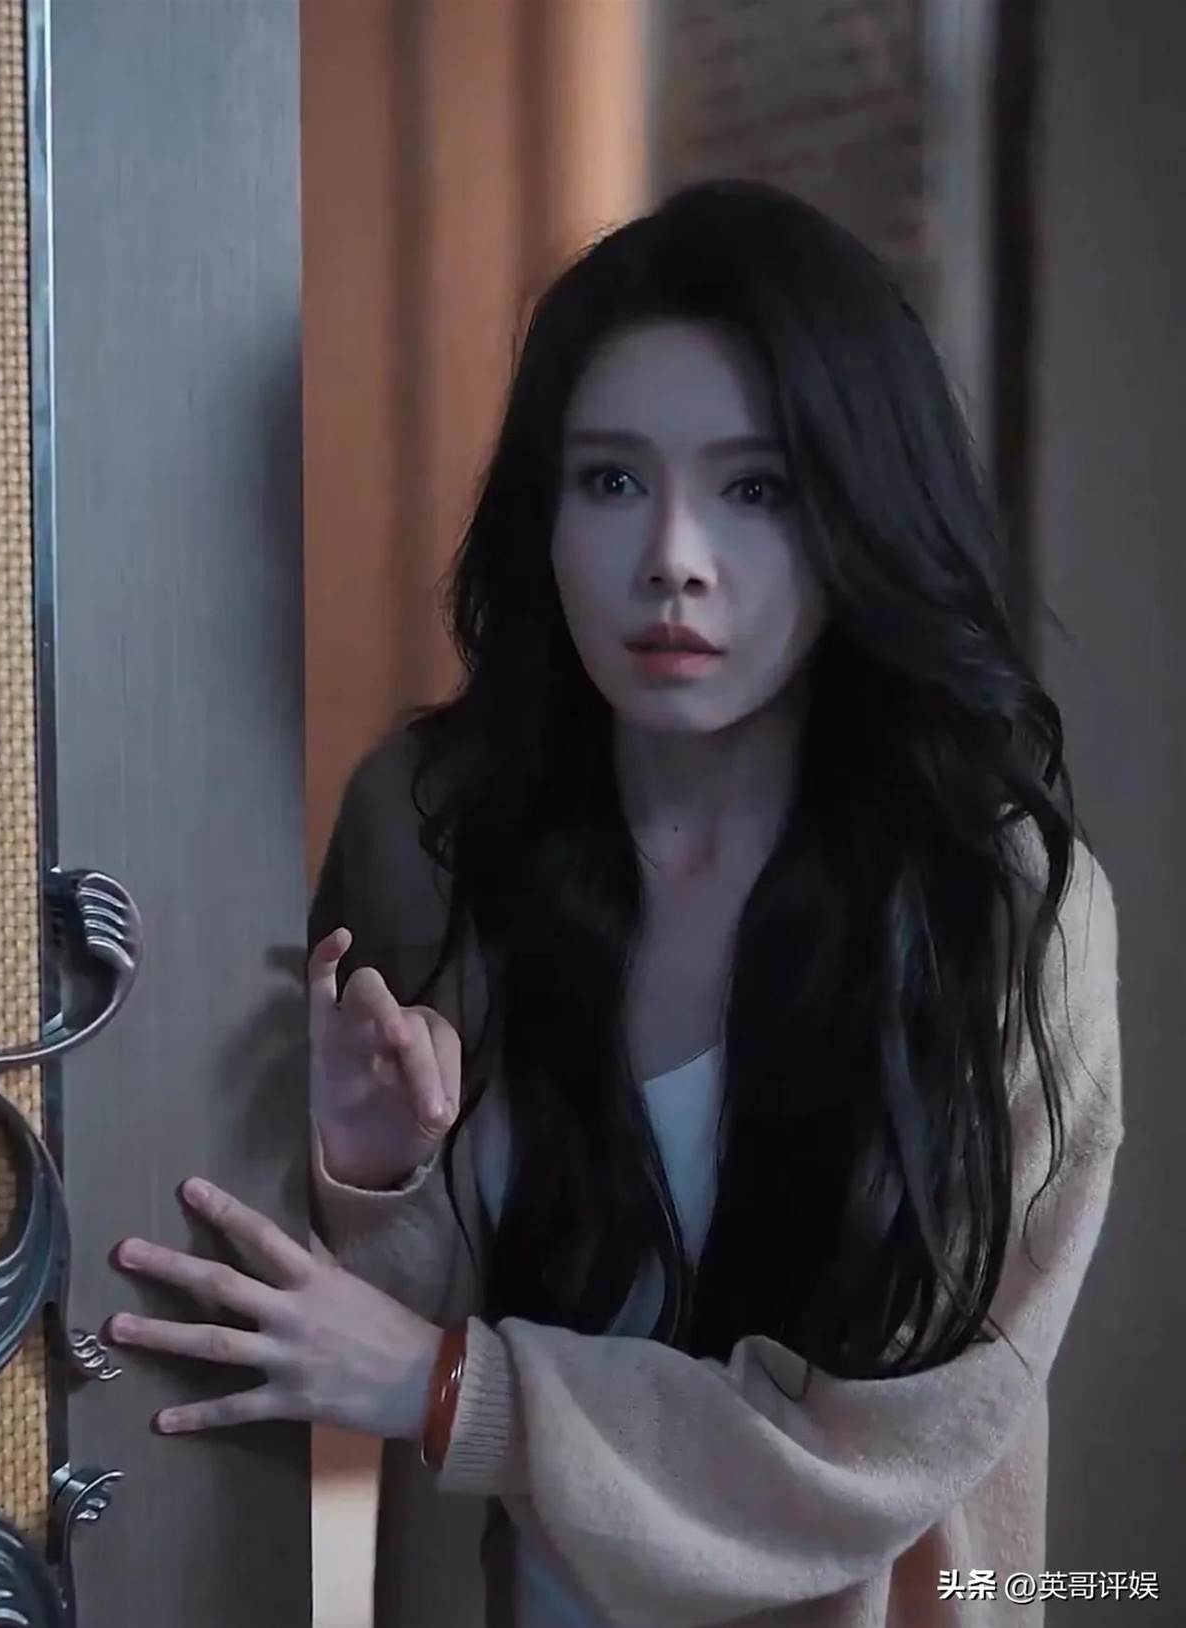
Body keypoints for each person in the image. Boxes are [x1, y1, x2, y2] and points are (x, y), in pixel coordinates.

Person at [107, 180, 1123, 1627]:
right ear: (545, 512)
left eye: (756, 489)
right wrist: (378, 1171)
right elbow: (376, 1310)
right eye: (611, 481)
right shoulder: (426, 829)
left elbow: (889, 1442)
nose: (673, 559)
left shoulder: (1002, 910)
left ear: (861, 512)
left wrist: (450, 1390)